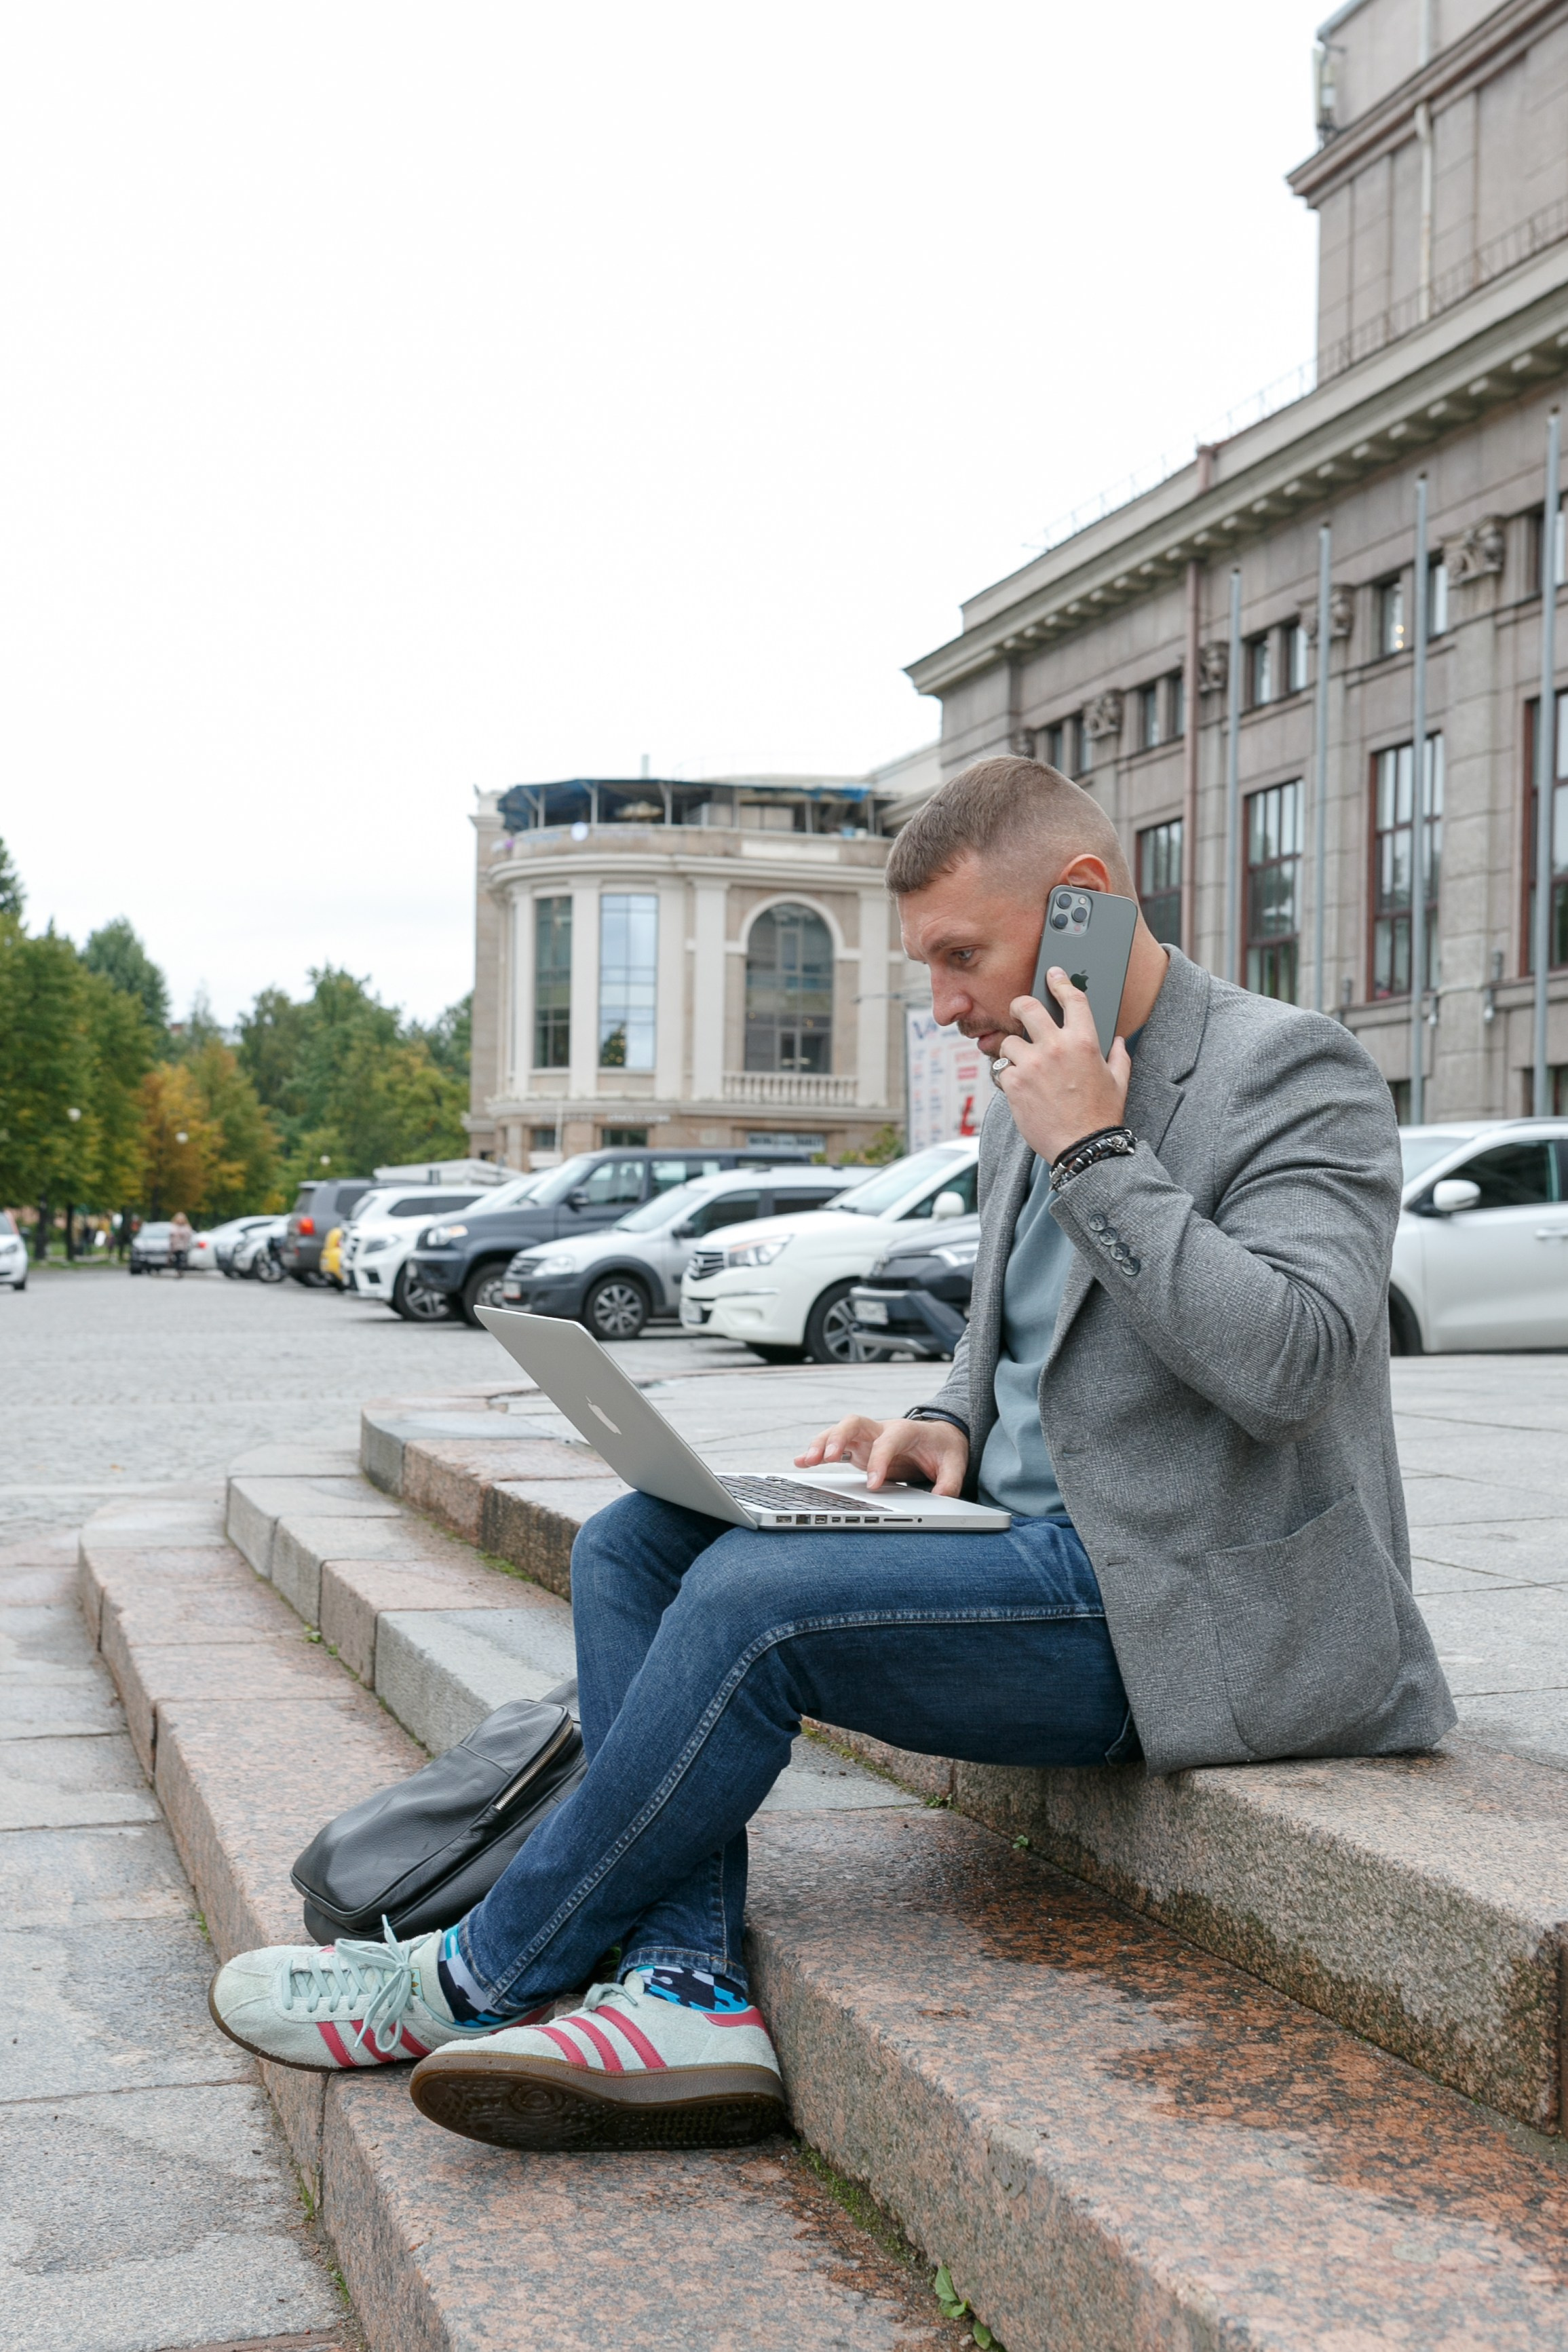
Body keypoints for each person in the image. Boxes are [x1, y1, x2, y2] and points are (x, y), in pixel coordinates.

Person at [208, 755, 1455, 2150]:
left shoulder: (1288, 1072)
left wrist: (1094, 1148)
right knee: (639, 1538)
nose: (946, 1005)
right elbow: (1017, 1345)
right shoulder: (1028, 1089)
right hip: (1024, 1555)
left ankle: (475, 1971)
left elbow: (1291, 1362)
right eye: (928, 967)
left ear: (1085, 903)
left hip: (1195, 1611)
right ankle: (681, 1984)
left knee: (752, 1598)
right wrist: (943, 1422)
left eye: (962, 955)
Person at [167, 1211, 194, 1277]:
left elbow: (189, 1235)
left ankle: (180, 1270)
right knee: (176, 1259)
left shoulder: (186, 1227)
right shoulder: (174, 1226)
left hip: (183, 1246)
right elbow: (171, 1235)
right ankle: (178, 1270)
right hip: (175, 1246)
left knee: (181, 1259)